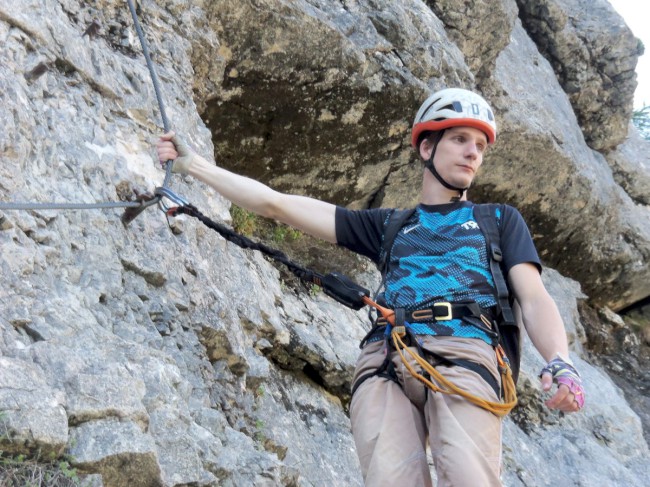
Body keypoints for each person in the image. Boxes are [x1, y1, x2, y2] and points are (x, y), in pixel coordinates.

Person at [156, 87, 585, 487]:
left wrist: (561, 360)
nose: (473, 152)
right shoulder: (388, 226)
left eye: (480, 145)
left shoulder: (499, 220)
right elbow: (276, 204)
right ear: (426, 147)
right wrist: (192, 166)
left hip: (466, 354)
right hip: (385, 356)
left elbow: (533, 296)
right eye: (459, 139)